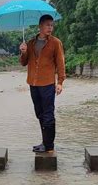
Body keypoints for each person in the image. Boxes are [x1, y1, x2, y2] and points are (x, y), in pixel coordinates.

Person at [19, 15, 66, 153]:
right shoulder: (31, 43)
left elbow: (60, 62)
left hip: (47, 83)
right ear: (40, 26)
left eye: (51, 25)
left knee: (48, 114)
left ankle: (49, 145)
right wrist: (23, 52)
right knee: (39, 113)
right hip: (33, 83)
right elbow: (23, 62)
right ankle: (44, 142)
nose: (50, 28)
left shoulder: (55, 43)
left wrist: (60, 82)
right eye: (47, 25)